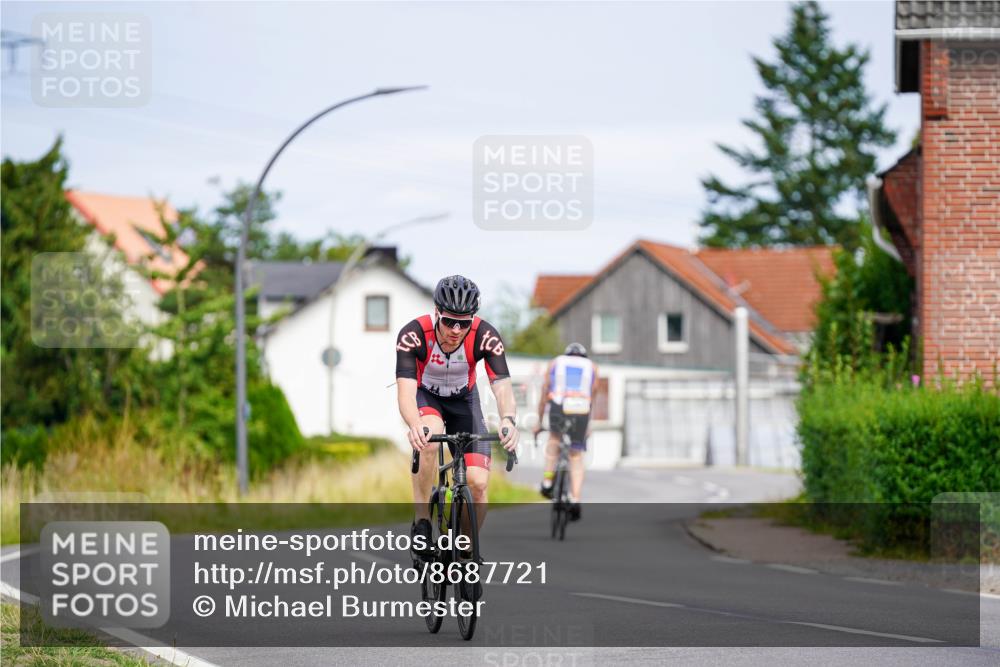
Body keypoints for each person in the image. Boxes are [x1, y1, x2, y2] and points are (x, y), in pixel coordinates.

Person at [396, 275, 519, 552]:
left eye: (463, 323)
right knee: (429, 435)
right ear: (437, 313)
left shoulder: (485, 336)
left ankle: (465, 546)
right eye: (448, 321)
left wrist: (508, 420)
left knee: (477, 484)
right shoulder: (413, 334)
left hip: (465, 400)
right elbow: (405, 392)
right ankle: (422, 520)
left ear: (472, 319)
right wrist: (414, 424)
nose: (455, 329)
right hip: (427, 397)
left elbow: (502, 387)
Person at [534, 343, 597, 520]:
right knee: (576, 454)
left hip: (559, 405)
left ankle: (547, 481)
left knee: (554, 438)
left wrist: (539, 421)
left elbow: (545, 391)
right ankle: (575, 499)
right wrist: (588, 425)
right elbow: (593, 395)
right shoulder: (592, 366)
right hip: (581, 408)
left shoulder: (556, 362)